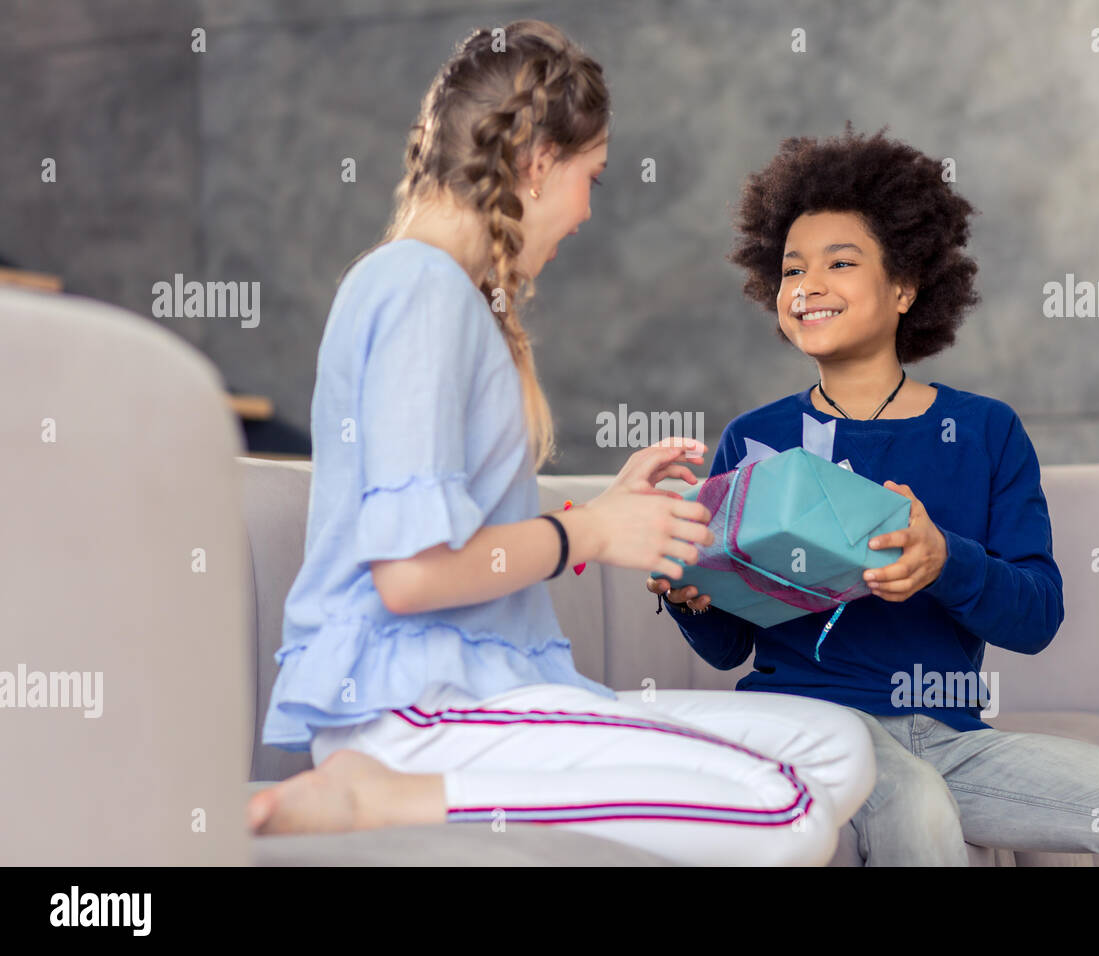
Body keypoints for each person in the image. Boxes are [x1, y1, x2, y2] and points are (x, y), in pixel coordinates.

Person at [244, 19, 874, 867]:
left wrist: (606, 508)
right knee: (786, 810)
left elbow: (455, 525)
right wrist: (593, 535)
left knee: (840, 746)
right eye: (591, 177)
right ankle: (393, 795)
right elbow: (409, 575)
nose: (585, 212)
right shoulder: (418, 291)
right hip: (420, 709)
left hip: (488, 690)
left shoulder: (448, 296)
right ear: (538, 162)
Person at [649, 124, 1099, 866]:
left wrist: (943, 562)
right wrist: (690, 595)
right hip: (815, 734)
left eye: (840, 262)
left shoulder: (986, 431)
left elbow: (1036, 615)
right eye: (793, 270)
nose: (807, 287)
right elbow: (731, 644)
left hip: (955, 741)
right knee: (916, 806)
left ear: (904, 285)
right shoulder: (756, 437)